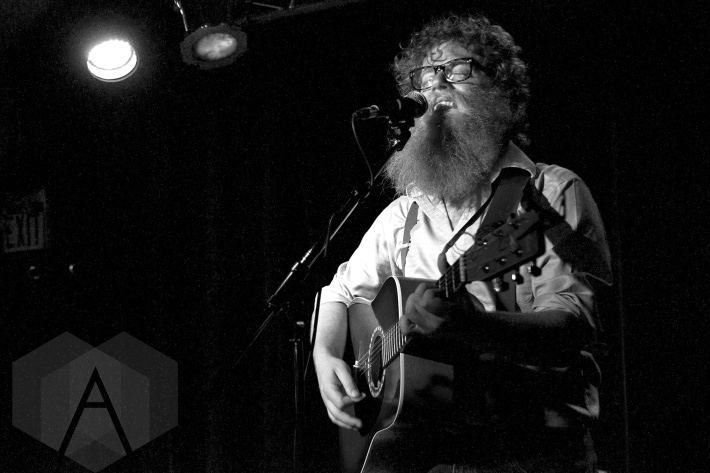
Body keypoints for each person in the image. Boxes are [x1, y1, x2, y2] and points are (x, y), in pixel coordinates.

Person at [312, 13, 612, 473]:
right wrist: (326, 354)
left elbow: (573, 326)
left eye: (457, 70)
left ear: (501, 90)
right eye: (426, 75)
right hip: (425, 454)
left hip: (533, 453)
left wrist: (472, 327)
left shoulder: (547, 193)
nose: (437, 84)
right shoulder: (404, 214)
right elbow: (339, 292)